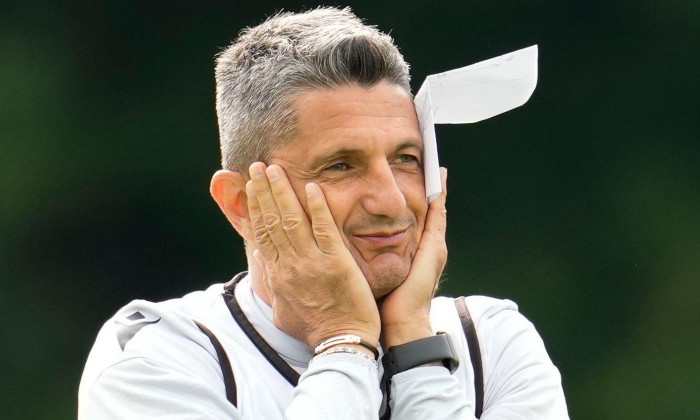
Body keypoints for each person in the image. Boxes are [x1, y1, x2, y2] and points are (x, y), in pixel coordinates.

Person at [79, 7, 569, 419]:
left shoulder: (494, 341)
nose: (393, 201)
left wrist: (415, 349)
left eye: (405, 159)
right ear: (243, 204)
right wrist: (345, 343)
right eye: (341, 165)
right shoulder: (158, 360)